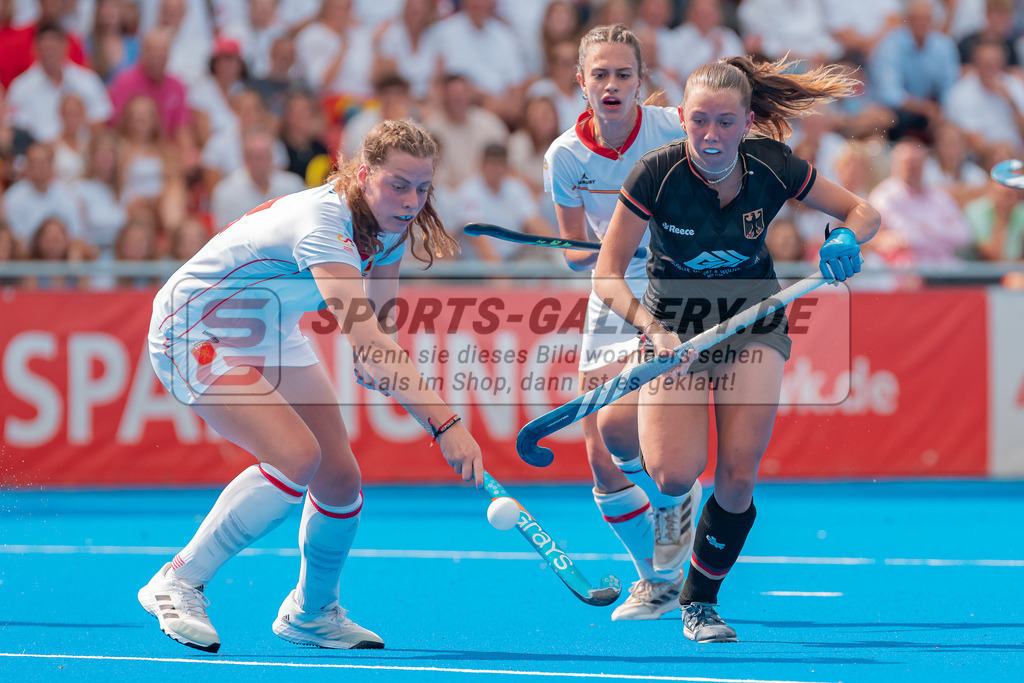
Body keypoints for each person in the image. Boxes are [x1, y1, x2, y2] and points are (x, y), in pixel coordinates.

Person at [137, 118, 483, 653]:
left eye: (422, 187)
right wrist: (446, 422)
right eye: (398, 184)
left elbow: (378, 317)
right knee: (297, 457)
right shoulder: (324, 222)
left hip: (269, 329)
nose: (412, 200)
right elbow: (367, 335)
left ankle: (311, 613)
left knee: (340, 479)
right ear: (364, 174)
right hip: (193, 327)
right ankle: (178, 580)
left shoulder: (391, 219)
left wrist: (376, 350)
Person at [593, 56, 880, 642]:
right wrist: (655, 329)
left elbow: (862, 209)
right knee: (674, 474)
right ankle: (653, 462)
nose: (711, 136)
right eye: (699, 121)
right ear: (682, 119)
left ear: (748, 122)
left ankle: (699, 602)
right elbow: (606, 275)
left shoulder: (773, 167)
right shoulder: (654, 175)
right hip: (675, 326)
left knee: (739, 473)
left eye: (726, 123)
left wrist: (846, 234)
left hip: (752, 322)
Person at [542, 24, 703, 622]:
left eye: (624, 74)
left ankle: (676, 498)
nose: (612, 85)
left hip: (674, 286)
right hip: (611, 287)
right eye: (600, 75)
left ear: (642, 81)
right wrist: (607, 244)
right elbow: (578, 255)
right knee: (599, 449)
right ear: (581, 82)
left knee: (623, 423)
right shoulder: (564, 156)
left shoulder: (673, 127)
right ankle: (658, 578)